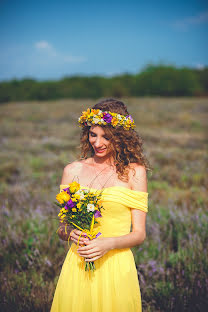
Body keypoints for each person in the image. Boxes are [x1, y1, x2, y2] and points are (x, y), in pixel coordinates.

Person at [50, 98, 151, 312]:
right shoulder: (72, 170)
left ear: (121, 137)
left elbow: (139, 234)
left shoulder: (135, 173)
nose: (98, 143)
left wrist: (108, 244)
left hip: (116, 267)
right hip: (78, 266)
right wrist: (70, 234)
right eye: (93, 134)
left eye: (107, 136)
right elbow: (62, 227)